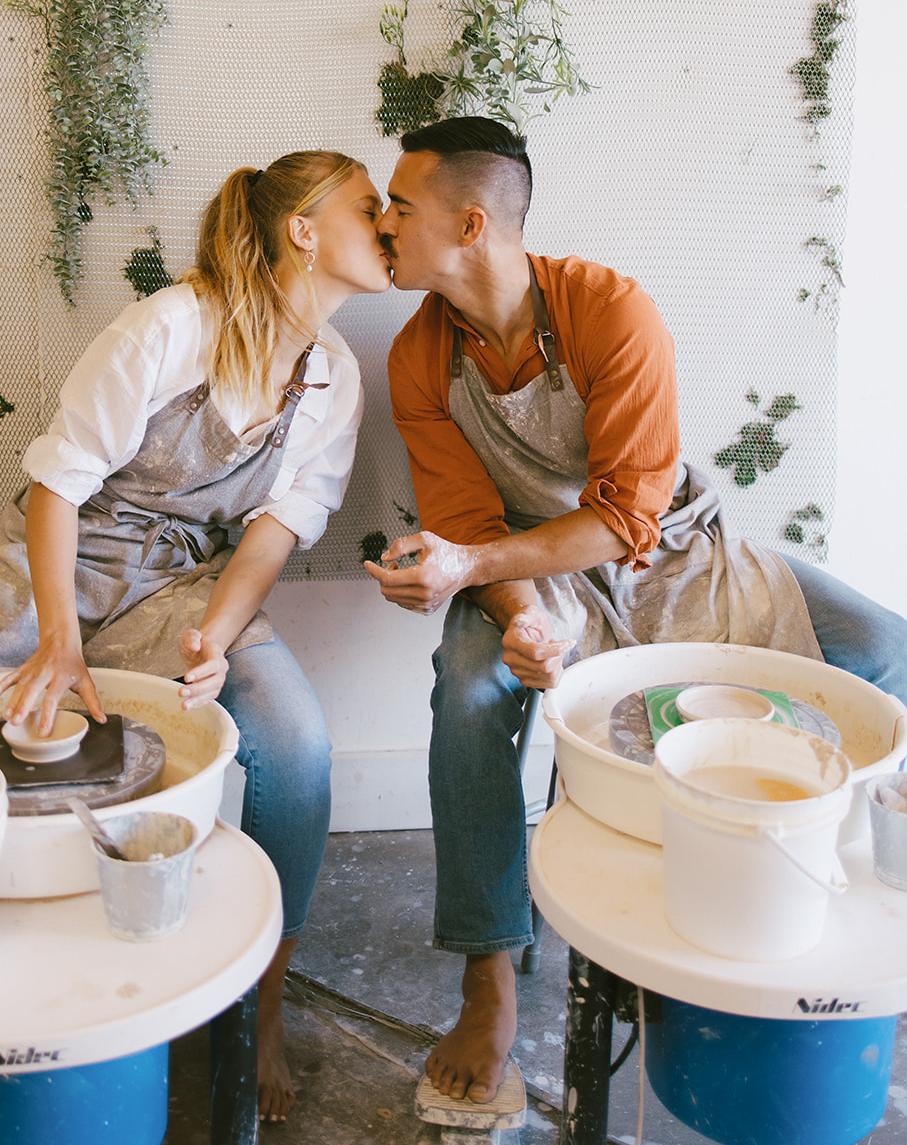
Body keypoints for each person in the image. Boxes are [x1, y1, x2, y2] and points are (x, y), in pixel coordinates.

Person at [0, 148, 392, 1125]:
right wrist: (56, 636)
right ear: (302, 228)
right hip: (41, 560)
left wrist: (214, 637)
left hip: (175, 581)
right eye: (367, 204)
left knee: (296, 743)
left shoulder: (332, 379)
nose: (387, 221)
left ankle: (260, 1001)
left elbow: (272, 532)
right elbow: (58, 485)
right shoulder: (173, 323)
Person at [364, 116, 907, 1108]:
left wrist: (478, 559)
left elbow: (624, 517)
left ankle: (781, 875)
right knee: (468, 683)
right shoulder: (417, 356)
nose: (381, 222)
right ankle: (487, 981)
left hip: (662, 546)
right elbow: (462, 524)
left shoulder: (608, 310)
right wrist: (521, 616)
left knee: (881, 648)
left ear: (471, 223)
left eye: (398, 206)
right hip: (523, 565)